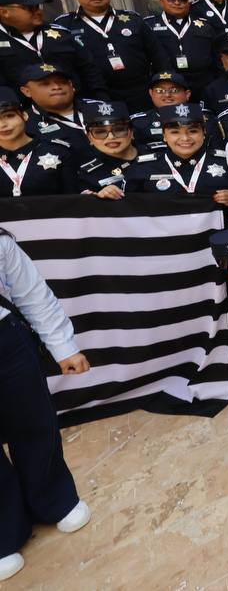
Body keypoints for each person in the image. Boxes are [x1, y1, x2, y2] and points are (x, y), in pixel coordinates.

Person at [0, 231, 93, 583]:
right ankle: (4, 530)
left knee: (34, 423)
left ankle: (53, 497)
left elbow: (32, 293)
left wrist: (63, 346)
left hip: (7, 342)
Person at [54, 0, 166, 112]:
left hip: (140, 90)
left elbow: (157, 54)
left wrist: (163, 84)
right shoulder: (65, 25)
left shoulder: (132, 19)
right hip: (95, 95)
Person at [0, 0, 107, 101]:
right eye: (30, 8)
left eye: (38, 7)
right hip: (26, 108)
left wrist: (101, 100)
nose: (38, 12)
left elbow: (89, 70)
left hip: (77, 104)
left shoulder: (62, 33)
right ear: (4, 12)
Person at [132, 104, 228, 204]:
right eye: (175, 132)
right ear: (164, 135)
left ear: (204, 133)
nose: (185, 138)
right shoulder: (144, 168)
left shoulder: (227, 163)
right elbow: (130, 206)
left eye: (193, 131)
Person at [144, 0, 222, 102]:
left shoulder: (204, 26)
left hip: (204, 85)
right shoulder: (148, 26)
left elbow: (217, 58)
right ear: (161, 1)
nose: (177, 2)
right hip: (168, 88)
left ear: (188, 2)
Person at [0, 86, 75, 196]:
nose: (2, 125)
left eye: (9, 116)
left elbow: (74, 198)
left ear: (24, 115)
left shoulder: (58, 151)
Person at [18, 63, 92, 158]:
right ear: (27, 91)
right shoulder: (24, 125)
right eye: (45, 84)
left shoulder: (101, 107)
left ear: (71, 84)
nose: (57, 87)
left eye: (62, 82)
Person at [77, 101, 143, 197]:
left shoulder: (160, 154)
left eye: (119, 130)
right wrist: (98, 198)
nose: (111, 137)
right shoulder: (88, 174)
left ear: (131, 132)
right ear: (89, 138)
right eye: (100, 132)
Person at [130, 71, 203, 150]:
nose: (167, 95)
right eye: (159, 90)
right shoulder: (137, 123)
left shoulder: (202, 119)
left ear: (187, 94)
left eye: (174, 90)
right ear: (151, 93)